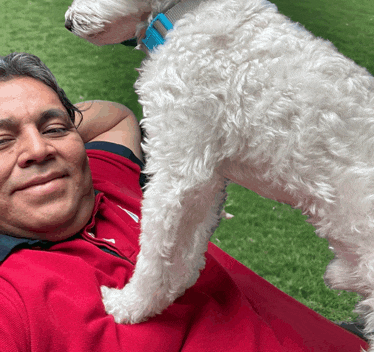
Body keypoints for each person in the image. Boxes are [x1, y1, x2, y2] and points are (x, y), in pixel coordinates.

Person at [0, 52, 368, 352]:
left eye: (56, 128)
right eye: (2, 141)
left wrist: (37, 130)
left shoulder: (102, 179)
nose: (38, 150)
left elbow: (117, 117)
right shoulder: (10, 296)